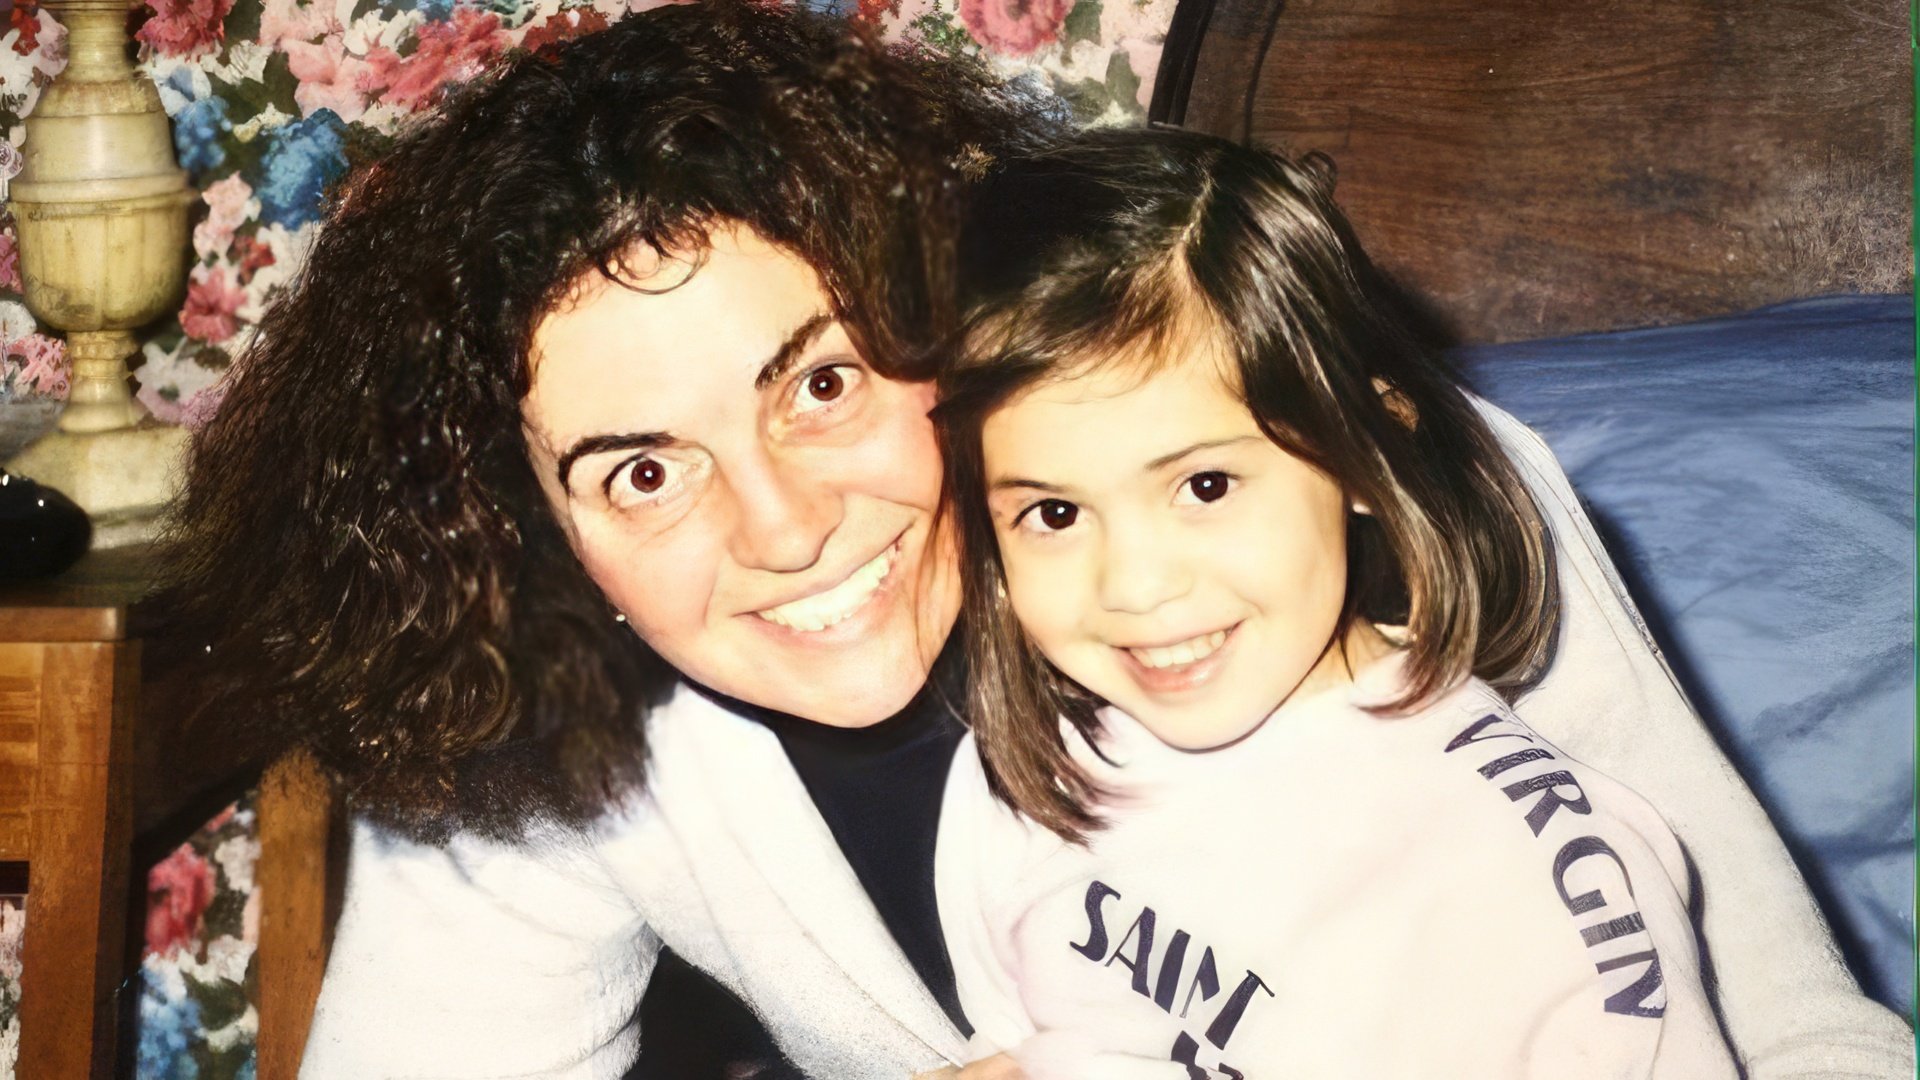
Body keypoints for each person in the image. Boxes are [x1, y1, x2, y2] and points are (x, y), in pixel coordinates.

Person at [147, 2, 1911, 1077]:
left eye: (822, 381)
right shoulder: (540, 718)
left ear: (946, 314)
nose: (782, 528)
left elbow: (1792, 1027)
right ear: (521, 524)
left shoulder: (1378, 517)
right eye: (638, 471)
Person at [931, 127, 1737, 1078]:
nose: (1136, 587)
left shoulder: (1535, 878)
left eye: (1205, 488)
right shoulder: (1029, 779)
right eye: (1055, 512)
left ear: (1360, 453)